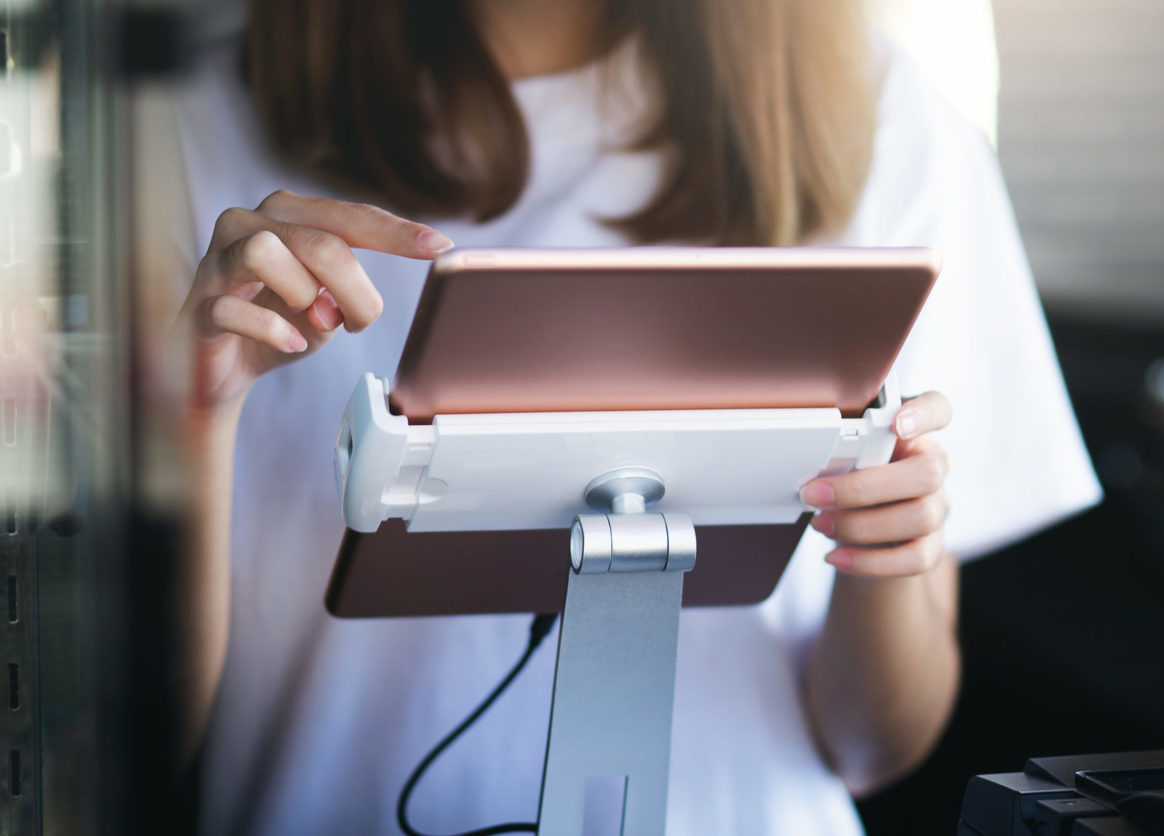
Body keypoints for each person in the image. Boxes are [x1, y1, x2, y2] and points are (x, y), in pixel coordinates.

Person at [167, 1, 1101, 833]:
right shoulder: (182, 133)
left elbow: (874, 747)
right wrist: (190, 412)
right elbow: (129, 742)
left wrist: (887, 559)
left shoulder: (879, 116)